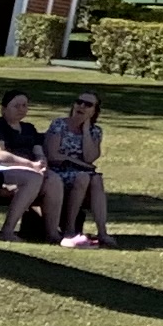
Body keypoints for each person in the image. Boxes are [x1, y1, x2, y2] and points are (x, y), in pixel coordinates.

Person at [0, 93, 52, 235]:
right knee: (33, 178)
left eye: (24, 105)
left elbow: (38, 150)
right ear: (3, 109)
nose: (21, 109)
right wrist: (30, 164)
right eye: (16, 106)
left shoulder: (29, 128)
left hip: (27, 172)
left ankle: (52, 233)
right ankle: (7, 231)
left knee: (54, 180)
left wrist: (41, 161)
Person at [41, 92, 112, 247]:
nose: (81, 106)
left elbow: (89, 158)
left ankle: (102, 232)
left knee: (95, 179)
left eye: (88, 105)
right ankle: (69, 228)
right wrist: (75, 162)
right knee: (83, 177)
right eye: (79, 102)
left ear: (94, 111)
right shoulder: (59, 125)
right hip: (58, 172)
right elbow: (53, 155)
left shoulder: (95, 131)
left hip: (83, 173)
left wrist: (86, 130)